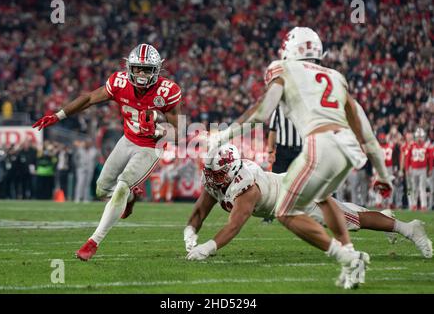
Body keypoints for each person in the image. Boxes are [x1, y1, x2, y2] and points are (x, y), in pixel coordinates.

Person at [204, 27, 393, 289]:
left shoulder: (284, 69)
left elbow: (261, 113)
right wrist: (383, 174)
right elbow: (365, 129)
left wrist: (225, 135)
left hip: (321, 144)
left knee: (285, 212)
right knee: (324, 200)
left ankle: (347, 256)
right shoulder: (335, 76)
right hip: (347, 149)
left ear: (289, 51)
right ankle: (352, 260)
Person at [32, 43, 182, 261]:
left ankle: (93, 242)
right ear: (129, 67)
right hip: (127, 140)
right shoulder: (119, 82)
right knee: (102, 190)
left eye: (147, 69)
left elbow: (179, 133)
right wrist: (59, 115)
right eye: (138, 68)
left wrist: (158, 130)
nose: (141, 73)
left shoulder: (168, 91)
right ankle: (130, 197)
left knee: (121, 185)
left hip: (150, 147)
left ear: (156, 70)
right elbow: (90, 98)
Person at [184, 145, 432, 267]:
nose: (213, 178)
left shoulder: (246, 186)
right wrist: (190, 234)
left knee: (349, 221)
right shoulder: (219, 178)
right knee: (347, 213)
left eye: (218, 173)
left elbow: (234, 225)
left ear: (233, 170)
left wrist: (208, 248)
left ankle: (408, 228)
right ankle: (386, 219)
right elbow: (200, 211)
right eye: (211, 172)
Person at [406, 128, 430, 211]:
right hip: (414, 169)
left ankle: (423, 205)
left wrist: (429, 169)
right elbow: (408, 158)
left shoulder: (426, 146)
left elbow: (429, 159)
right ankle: (414, 204)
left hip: (423, 169)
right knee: (414, 188)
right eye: (418, 137)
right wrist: (407, 168)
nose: (419, 139)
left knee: (422, 187)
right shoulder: (412, 146)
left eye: (421, 137)